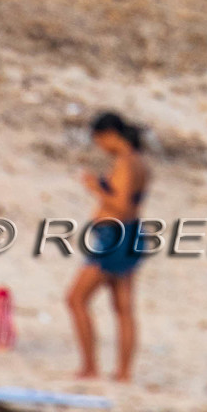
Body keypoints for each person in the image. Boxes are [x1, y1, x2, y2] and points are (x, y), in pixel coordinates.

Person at [66, 110, 149, 381]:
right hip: (130, 234)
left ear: (110, 135)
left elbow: (122, 206)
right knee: (123, 307)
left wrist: (95, 187)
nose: (100, 147)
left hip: (115, 236)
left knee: (76, 299)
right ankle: (123, 372)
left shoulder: (126, 163)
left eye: (99, 141)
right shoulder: (139, 162)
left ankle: (89, 367)